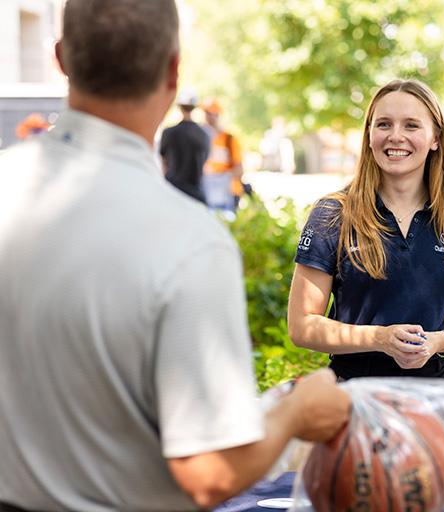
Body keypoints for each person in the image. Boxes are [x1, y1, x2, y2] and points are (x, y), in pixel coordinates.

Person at [0, 1, 350, 511]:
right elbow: (209, 475)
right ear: (173, 68)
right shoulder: (191, 242)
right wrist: (294, 415)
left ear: (61, 58)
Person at [287, 78, 444, 381]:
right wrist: (378, 338)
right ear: (369, 134)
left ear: (435, 138)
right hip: (354, 391)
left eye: (411, 125)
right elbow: (301, 325)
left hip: (434, 392)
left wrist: (439, 341)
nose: (395, 136)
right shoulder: (333, 215)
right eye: (384, 124)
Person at [159, 87, 209, 203]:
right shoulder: (205, 135)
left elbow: (163, 163)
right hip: (196, 196)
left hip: (172, 193)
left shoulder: (169, 132)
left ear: (179, 106)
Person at [201, 96, 245, 212]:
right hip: (207, 193)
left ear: (218, 114)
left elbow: (239, 169)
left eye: (211, 113)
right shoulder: (200, 138)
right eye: (206, 113)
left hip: (228, 195)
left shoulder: (229, 139)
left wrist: (219, 176)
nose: (208, 117)